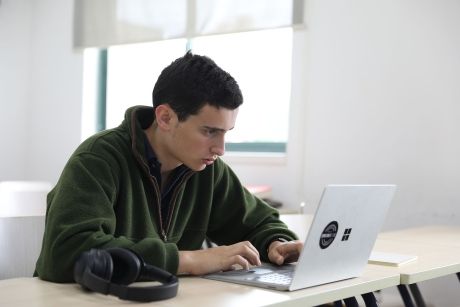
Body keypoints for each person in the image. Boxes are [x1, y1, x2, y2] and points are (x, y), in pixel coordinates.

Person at [35, 51, 303, 282]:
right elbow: (66, 252)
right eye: (209, 131)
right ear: (165, 117)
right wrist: (188, 260)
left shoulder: (207, 170)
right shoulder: (98, 159)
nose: (221, 149)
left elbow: (258, 222)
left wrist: (276, 244)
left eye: (226, 132)